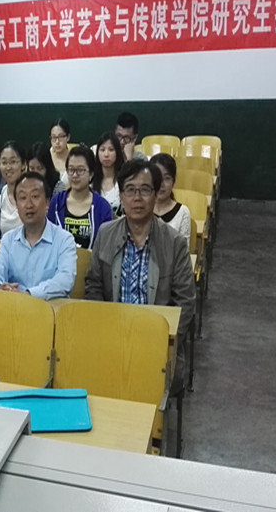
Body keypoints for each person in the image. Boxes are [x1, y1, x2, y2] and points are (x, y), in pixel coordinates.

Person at [84, 159, 195, 393]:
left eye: (145, 190)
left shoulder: (174, 243)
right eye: (130, 190)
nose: (137, 198)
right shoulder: (106, 234)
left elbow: (185, 302)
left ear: (156, 195)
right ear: (121, 196)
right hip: (112, 338)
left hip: (156, 345)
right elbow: (93, 286)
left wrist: (162, 340)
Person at [0, 172, 76, 300]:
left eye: (35, 196)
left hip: (48, 309)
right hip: (14, 306)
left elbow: (65, 280)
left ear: (47, 203)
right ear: (17, 205)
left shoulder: (64, 240)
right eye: (22, 198)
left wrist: (29, 294)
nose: (29, 204)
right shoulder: (8, 239)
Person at [47, 146, 112, 250]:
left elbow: (106, 247)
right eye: (71, 170)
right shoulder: (56, 202)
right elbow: (48, 239)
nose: (75, 175)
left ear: (91, 174)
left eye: (80, 170)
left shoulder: (102, 207)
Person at [0, 141, 26, 238]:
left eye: (13, 162)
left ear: (23, 165)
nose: (8, 167)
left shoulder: (33, 197)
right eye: (4, 163)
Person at [150, 153, 191, 241]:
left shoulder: (183, 212)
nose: (161, 184)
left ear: (174, 181)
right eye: (157, 178)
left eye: (167, 178)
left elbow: (183, 248)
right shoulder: (141, 209)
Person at [91, 131, 125, 217]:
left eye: (111, 150)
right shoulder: (91, 181)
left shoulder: (124, 179)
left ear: (117, 152)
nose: (106, 154)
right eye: (102, 150)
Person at [49, 118, 71, 187]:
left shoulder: (74, 157)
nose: (57, 142)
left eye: (61, 137)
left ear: (68, 137)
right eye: (54, 137)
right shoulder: (46, 156)